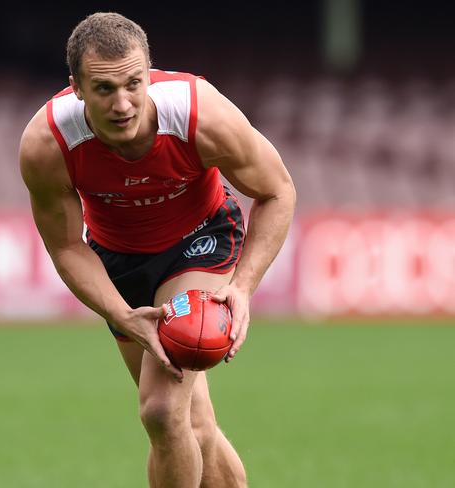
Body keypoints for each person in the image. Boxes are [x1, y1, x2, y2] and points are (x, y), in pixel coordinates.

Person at [19, 12, 295, 488]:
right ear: (76, 87)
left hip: (200, 242)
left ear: (150, 72)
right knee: (195, 424)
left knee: (163, 411)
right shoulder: (48, 144)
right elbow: (66, 244)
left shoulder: (199, 115)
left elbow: (278, 191)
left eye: (134, 83)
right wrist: (122, 314)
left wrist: (244, 287)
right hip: (119, 262)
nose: (123, 103)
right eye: (104, 89)